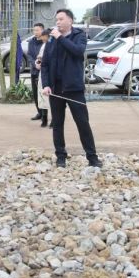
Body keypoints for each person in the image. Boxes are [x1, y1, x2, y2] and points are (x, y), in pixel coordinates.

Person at [41, 9, 103, 169]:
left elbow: (77, 52)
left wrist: (60, 37)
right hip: (56, 88)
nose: (58, 22)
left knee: (83, 123)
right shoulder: (51, 40)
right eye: (57, 19)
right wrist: (46, 84)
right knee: (57, 124)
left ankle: (92, 157)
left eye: (61, 19)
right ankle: (60, 156)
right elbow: (45, 64)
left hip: (74, 88)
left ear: (70, 20)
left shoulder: (79, 36)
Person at [27, 23, 45, 122]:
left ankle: (45, 114)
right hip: (34, 71)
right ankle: (40, 112)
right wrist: (35, 64)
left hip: (44, 72)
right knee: (35, 93)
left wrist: (42, 63)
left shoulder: (46, 41)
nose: (35, 32)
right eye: (34, 30)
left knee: (44, 94)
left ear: (42, 30)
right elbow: (29, 55)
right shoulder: (31, 42)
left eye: (37, 30)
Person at [34, 28, 51, 128]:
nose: (42, 39)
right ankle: (44, 119)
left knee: (51, 97)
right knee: (42, 96)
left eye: (44, 37)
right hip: (42, 73)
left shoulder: (53, 45)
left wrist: (41, 60)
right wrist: (38, 61)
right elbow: (39, 57)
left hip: (50, 73)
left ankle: (54, 121)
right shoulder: (44, 45)